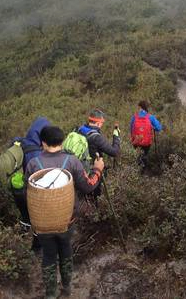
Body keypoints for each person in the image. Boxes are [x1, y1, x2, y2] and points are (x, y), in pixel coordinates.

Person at [25, 126, 105, 299]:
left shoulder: (33, 164)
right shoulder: (72, 162)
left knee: (48, 255)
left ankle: (50, 294)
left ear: (42, 143)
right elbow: (88, 185)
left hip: (43, 223)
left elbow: (28, 193)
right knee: (66, 249)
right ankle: (67, 288)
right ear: (62, 142)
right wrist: (98, 169)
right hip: (67, 220)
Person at [77, 109, 121, 204]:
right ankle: (94, 210)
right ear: (98, 123)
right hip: (93, 170)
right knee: (95, 194)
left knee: (83, 195)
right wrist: (116, 136)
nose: (102, 125)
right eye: (101, 123)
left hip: (78, 168)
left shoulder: (79, 129)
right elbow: (114, 152)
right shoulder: (96, 137)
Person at [130, 100, 162, 171]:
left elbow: (131, 128)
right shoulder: (151, 117)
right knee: (144, 155)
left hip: (136, 141)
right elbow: (159, 128)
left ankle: (136, 172)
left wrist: (133, 138)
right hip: (146, 142)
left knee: (137, 155)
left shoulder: (134, 117)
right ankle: (143, 172)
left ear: (140, 107)